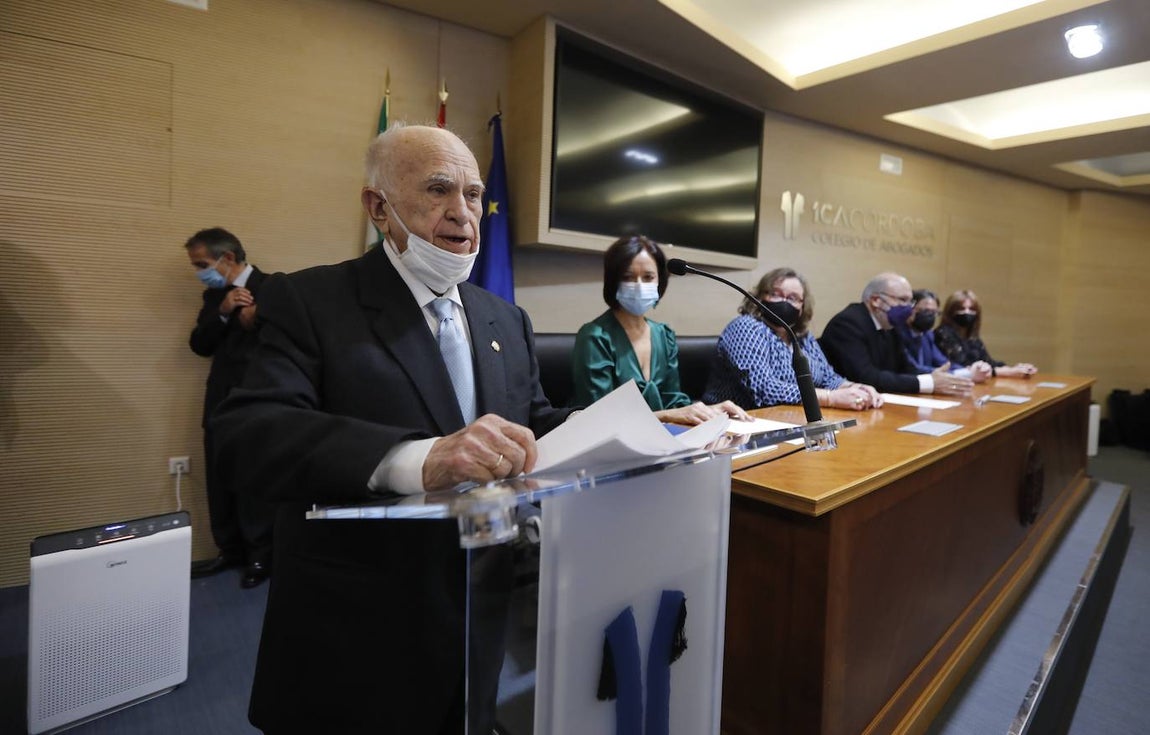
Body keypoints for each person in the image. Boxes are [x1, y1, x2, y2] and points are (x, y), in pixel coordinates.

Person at [210, 124, 575, 734]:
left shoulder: (505, 318)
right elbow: (248, 433)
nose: (463, 214)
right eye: (439, 190)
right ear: (379, 207)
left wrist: (642, 421)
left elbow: (532, 423)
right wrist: (418, 459)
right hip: (356, 630)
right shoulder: (309, 300)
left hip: (477, 604)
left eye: (474, 195)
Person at [571, 235, 749, 424]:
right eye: (627, 277)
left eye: (648, 277)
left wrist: (710, 411)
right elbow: (598, 416)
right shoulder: (594, 337)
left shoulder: (664, 335)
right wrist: (666, 415)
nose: (639, 285)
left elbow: (674, 402)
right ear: (613, 281)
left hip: (662, 439)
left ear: (660, 282)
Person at [185, 227, 275, 589]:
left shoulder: (274, 287)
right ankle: (229, 549)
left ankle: (259, 555)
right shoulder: (213, 297)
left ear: (228, 258)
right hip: (219, 401)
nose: (198, 271)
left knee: (253, 480)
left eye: (202, 264)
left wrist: (258, 322)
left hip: (258, 402)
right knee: (219, 479)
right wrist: (222, 312)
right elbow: (199, 345)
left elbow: (291, 339)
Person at [702, 267, 881, 411]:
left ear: (803, 307)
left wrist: (856, 388)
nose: (784, 302)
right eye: (776, 294)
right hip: (737, 423)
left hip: (789, 420)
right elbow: (765, 390)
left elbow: (828, 378)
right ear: (760, 297)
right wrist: (830, 398)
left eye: (793, 298)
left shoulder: (801, 336)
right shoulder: (746, 327)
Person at [819, 272, 973, 396]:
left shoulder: (890, 325)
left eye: (910, 301)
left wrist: (936, 377)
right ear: (876, 300)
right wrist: (927, 383)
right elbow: (866, 377)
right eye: (903, 300)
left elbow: (905, 367)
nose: (909, 308)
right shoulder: (848, 323)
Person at [894, 289, 992, 383]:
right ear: (910, 309)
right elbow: (912, 368)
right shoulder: (897, 333)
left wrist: (969, 370)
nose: (930, 316)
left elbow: (943, 362)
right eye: (926, 311)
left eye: (934, 313)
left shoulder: (927, 335)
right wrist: (966, 373)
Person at [935, 289, 1038, 378]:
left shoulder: (973, 337)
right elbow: (964, 367)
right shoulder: (943, 333)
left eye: (971, 309)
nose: (967, 313)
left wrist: (1017, 369)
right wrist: (1008, 372)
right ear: (950, 312)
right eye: (961, 309)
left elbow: (988, 362)